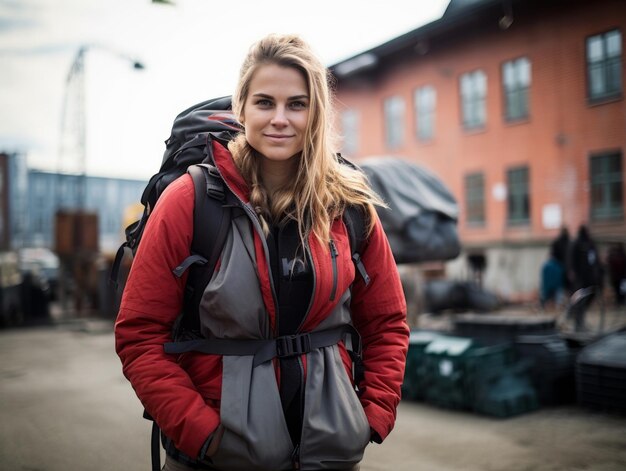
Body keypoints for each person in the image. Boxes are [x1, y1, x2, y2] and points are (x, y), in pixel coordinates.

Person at [115, 34, 409, 471]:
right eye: (264, 102)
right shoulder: (191, 200)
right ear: (242, 106)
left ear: (317, 112)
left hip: (328, 453)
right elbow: (139, 335)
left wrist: (371, 417)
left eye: (297, 104)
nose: (279, 119)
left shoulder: (350, 206)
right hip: (217, 457)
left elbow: (387, 322)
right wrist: (203, 434)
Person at [567, 225, 603, 330]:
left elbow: (594, 260)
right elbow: (572, 260)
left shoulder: (590, 244)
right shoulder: (577, 244)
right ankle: (578, 323)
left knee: (586, 299)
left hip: (589, 279)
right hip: (580, 279)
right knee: (579, 301)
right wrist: (572, 272)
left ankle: (578, 321)